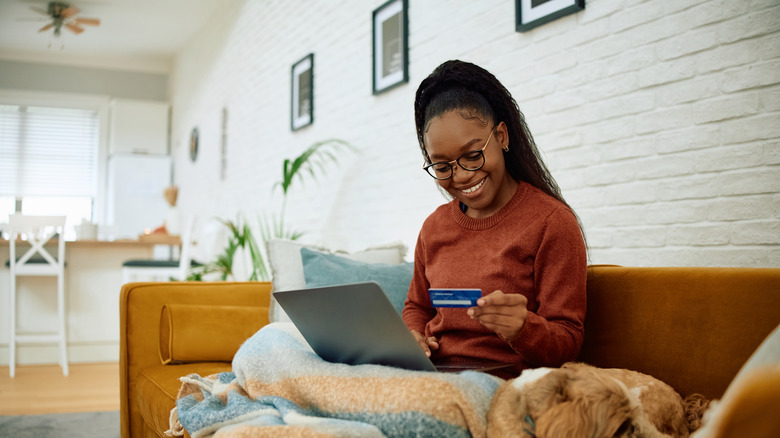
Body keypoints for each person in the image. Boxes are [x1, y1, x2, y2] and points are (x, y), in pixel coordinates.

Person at [402, 60, 587, 379]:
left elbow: (568, 341)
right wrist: (412, 337)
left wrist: (523, 328)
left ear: (501, 136)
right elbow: (417, 308)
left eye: (473, 155)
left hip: (502, 386)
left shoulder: (551, 222)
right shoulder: (434, 228)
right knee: (286, 347)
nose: (460, 176)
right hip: (432, 376)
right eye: (442, 166)